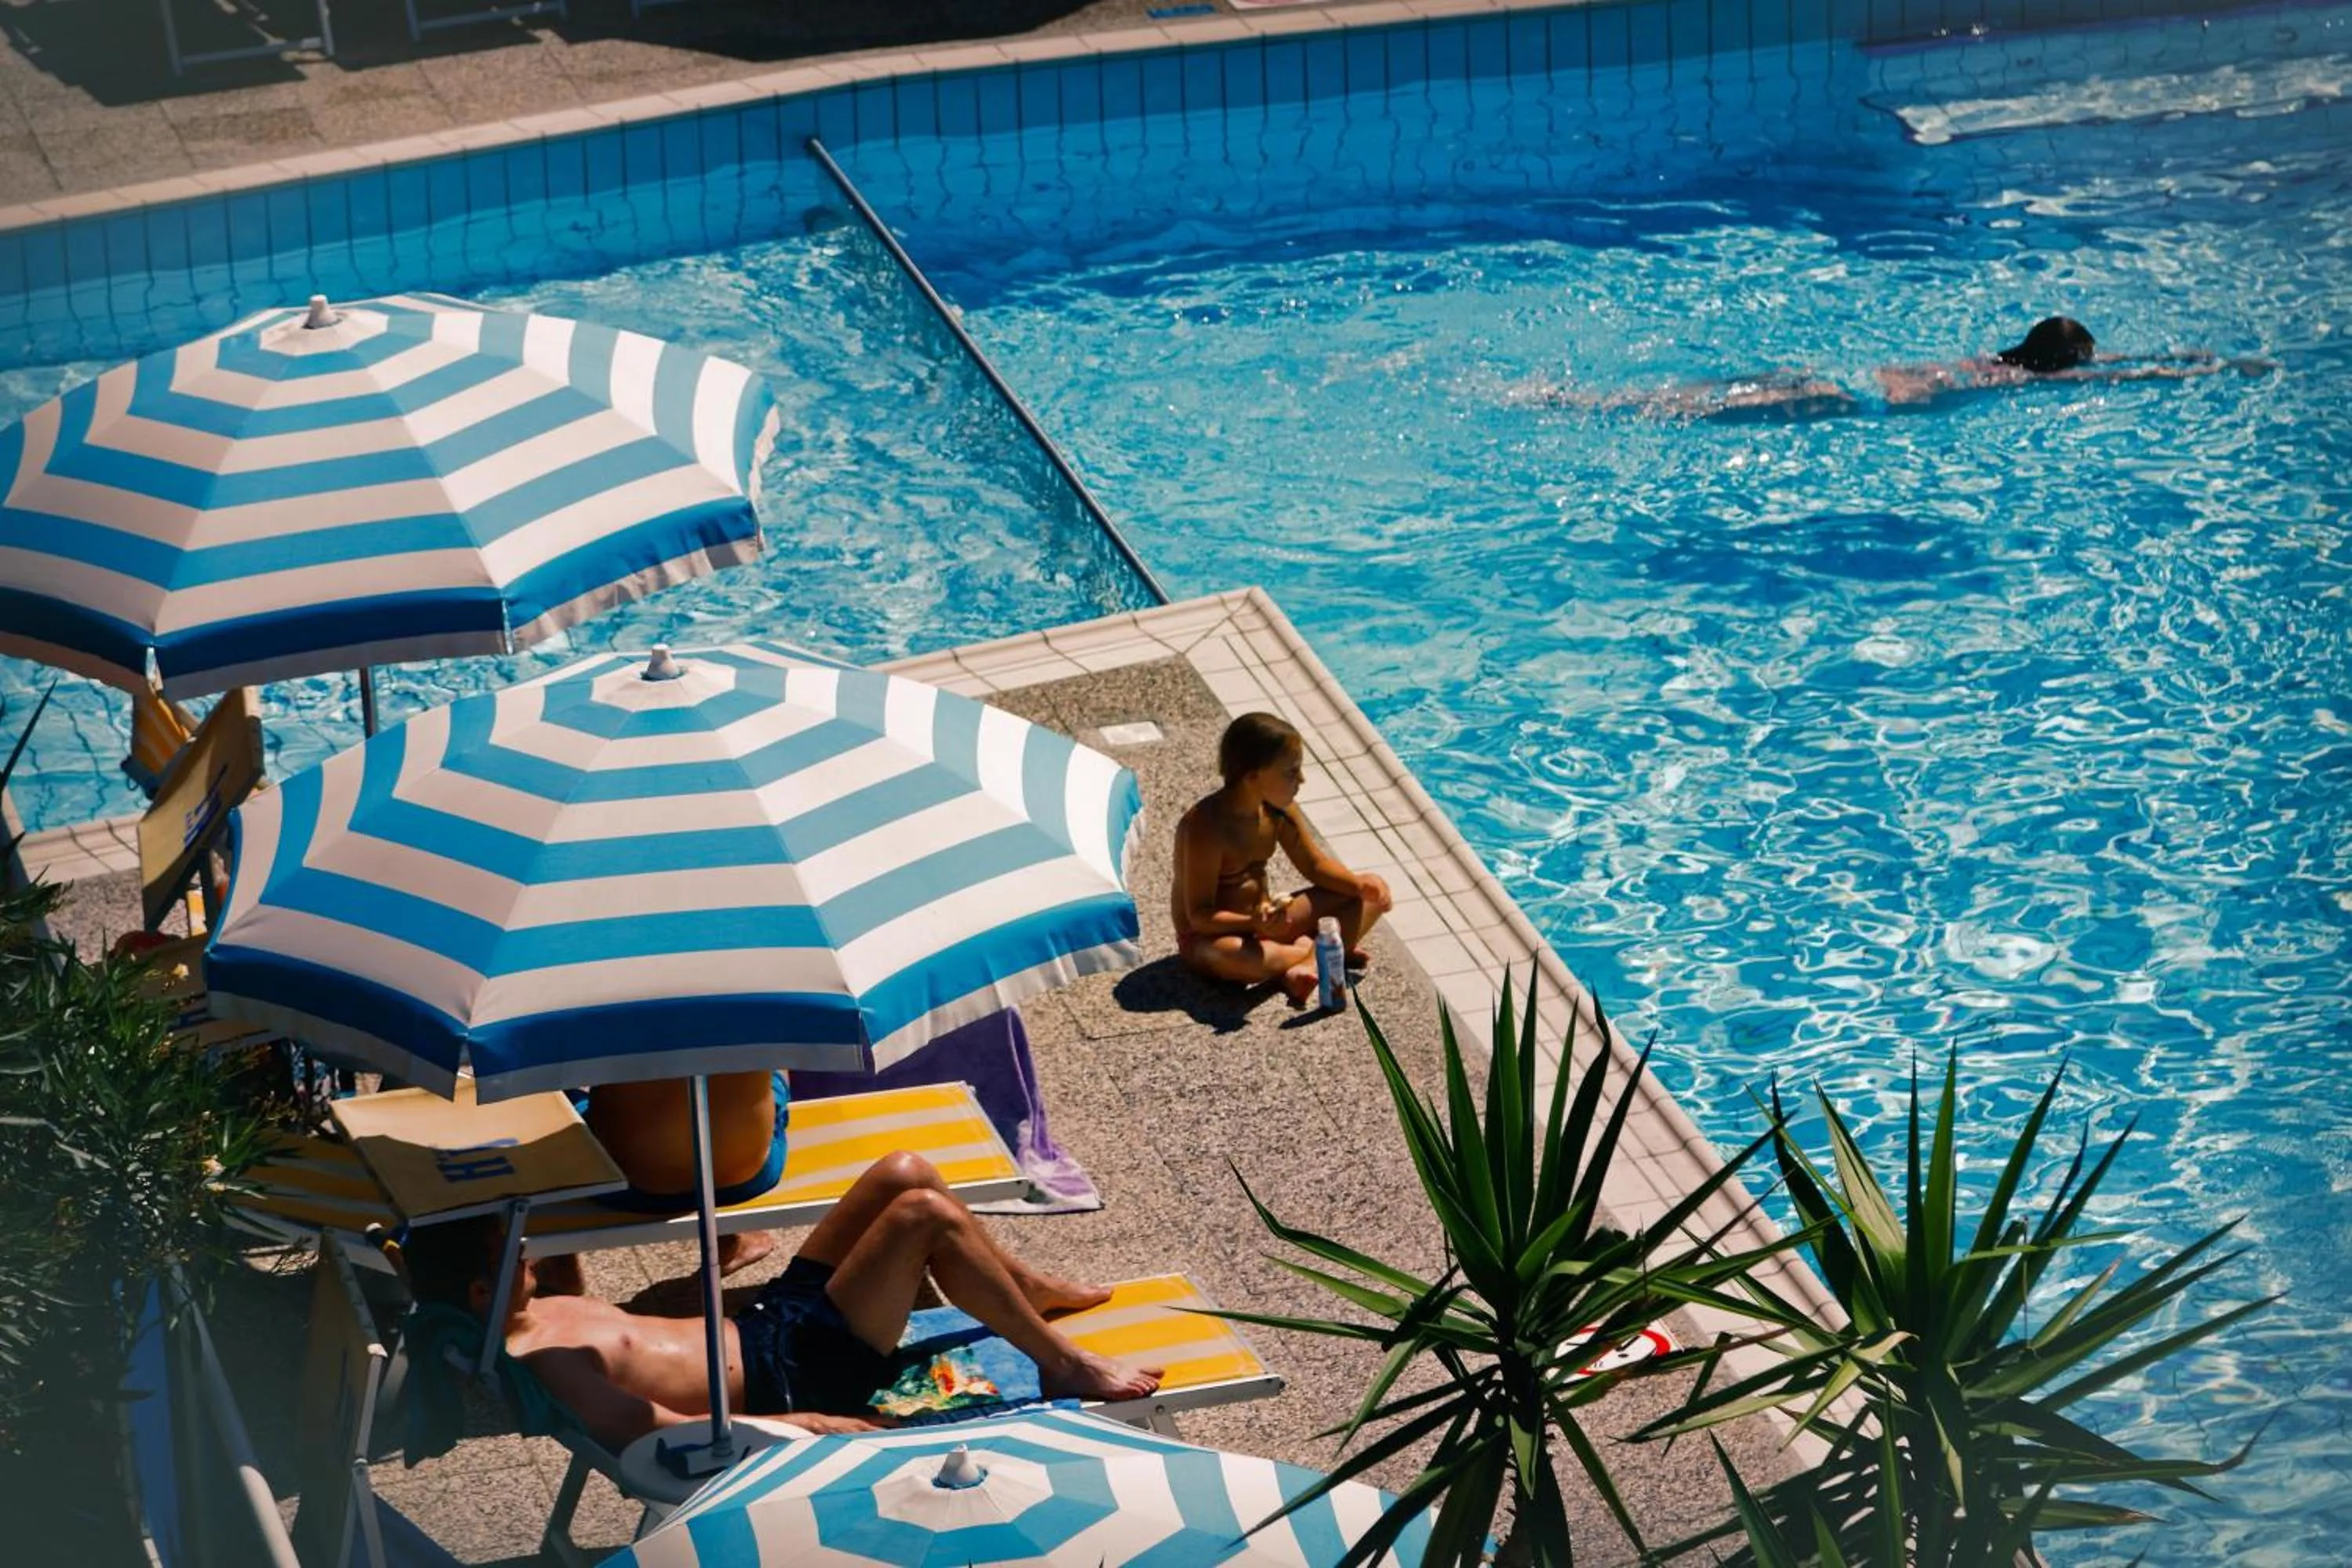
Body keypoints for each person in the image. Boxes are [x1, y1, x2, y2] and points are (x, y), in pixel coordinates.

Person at [400, 1150, 1163, 1450]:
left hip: (766, 1324)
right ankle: (1060, 1363)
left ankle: (1018, 1289)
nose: (527, 1251)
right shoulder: (545, 1358)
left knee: (902, 1172)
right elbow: (660, 1433)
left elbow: (535, 1230)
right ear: (479, 1289)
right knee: (921, 1218)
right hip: (795, 1372)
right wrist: (792, 1423)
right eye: (512, 1254)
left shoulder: (541, 1307)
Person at [1530, 317, 2270, 419]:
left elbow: (2113, 364)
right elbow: (2120, 376)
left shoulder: (1994, 360)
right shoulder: (2026, 380)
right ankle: (1579, 403)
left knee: (1679, 398)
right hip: (1850, 404)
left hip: (1845, 375)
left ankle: (1573, 396)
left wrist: (2182, 358)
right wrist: (2213, 369)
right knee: (1684, 413)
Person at [1172, 712, 1393, 1007]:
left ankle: (1309, 963)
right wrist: (1253, 922)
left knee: (1373, 893)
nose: (1300, 780)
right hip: (1212, 937)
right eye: (1291, 773)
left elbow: (1314, 865)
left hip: (1269, 920)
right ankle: (1323, 952)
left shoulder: (1277, 811)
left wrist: (1358, 886)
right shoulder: (1205, 828)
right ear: (1253, 777)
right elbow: (1199, 917)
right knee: (1238, 959)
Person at [532, 1070, 790, 1297]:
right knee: (765, 1076)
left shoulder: (606, 1012)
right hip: (748, 1177)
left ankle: (559, 1264)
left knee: (540, 1090)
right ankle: (728, 1238)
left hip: (622, 1184)